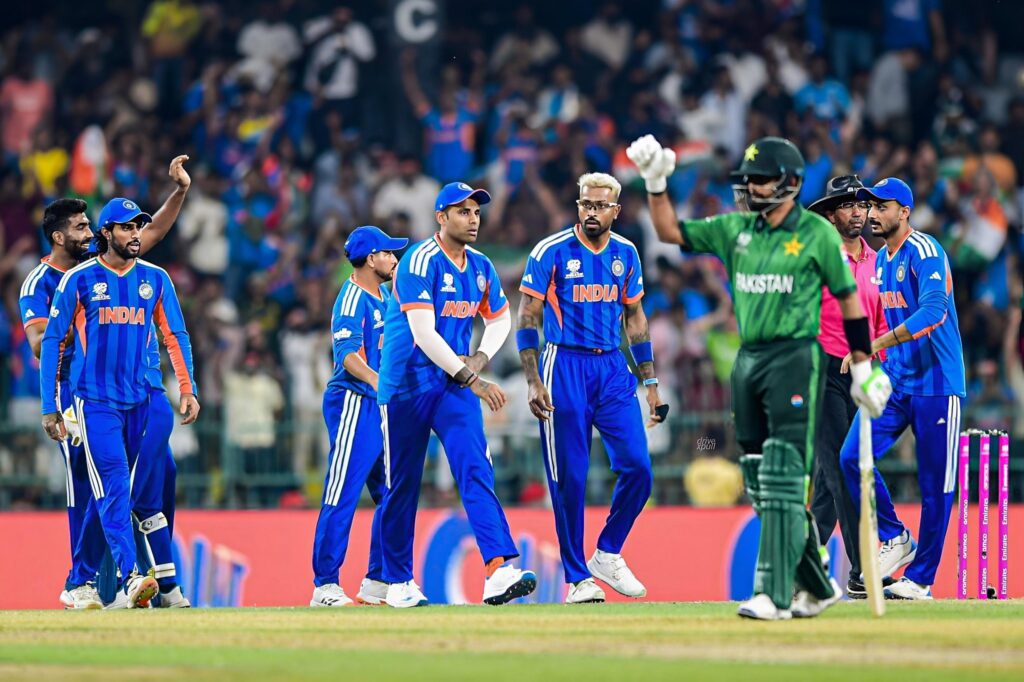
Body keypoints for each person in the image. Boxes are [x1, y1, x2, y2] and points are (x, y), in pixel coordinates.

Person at [627, 134, 892, 620]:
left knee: (784, 473)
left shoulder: (815, 235)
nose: (752, 187)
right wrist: (656, 182)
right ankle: (817, 584)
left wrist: (861, 366)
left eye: (762, 179)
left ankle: (773, 590)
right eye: (748, 179)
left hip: (797, 358)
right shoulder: (736, 230)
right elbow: (668, 230)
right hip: (747, 362)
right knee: (756, 478)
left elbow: (850, 301)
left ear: (789, 182)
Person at [20, 157, 191, 609]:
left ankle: (147, 582)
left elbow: (152, 233)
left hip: (132, 391)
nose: (88, 231)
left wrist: (179, 191)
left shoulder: (111, 263)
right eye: (80, 227)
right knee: (93, 486)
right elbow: (40, 343)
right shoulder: (45, 281)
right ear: (60, 237)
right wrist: (94, 329)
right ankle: (89, 582)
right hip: (78, 395)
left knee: (152, 476)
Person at [376, 182, 536, 608]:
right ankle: (397, 581)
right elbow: (423, 333)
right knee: (403, 484)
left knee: (476, 468)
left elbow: (500, 319)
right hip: (406, 385)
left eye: (477, 212)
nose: (473, 219)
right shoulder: (418, 261)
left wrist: (480, 358)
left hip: (452, 385)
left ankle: (497, 569)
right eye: (463, 212)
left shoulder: (481, 266)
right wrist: (474, 379)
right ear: (441, 217)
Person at [516, 172, 667, 604]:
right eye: (586, 204)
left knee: (638, 467)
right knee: (571, 477)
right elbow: (527, 316)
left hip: (613, 368)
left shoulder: (626, 253)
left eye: (601, 205)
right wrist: (533, 380)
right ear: (578, 205)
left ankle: (608, 552)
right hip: (563, 364)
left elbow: (635, 318)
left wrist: (650, 382)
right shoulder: (551, 251)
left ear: (616, 210)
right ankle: (577, 577)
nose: (592, 212)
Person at [838, 177, 966, 600]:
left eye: (882, 206)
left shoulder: (925, 251)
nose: (873, 214)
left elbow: (933, 311)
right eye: (870, 206)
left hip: (937, 385)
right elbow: (883, 320)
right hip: (896, 381)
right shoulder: (880, 263)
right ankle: (895, 536)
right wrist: (870, 355)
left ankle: (921, 580)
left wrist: (874, 345)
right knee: (852, 457)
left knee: (935, 486)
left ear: (904, 211)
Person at [310, 226, 408, 607]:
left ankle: (378, 579)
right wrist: (379, 380)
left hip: (378, 404)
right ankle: (325, 584)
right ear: (370, 259)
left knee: (391, 492)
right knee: (343, 491)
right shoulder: (351, 298)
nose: (394, 259)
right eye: (388, 253)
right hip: (354, 401)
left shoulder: (385, 295)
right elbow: (347, 356)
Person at [806, 175, 889, 598]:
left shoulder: (880, 262)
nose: (857, 212)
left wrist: (871, 361)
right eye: (847, 205)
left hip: (862, 373)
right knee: (843, 466)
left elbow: (883, 323)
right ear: (829, 214)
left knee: (830, 476)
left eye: (862, 204)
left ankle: (799, 563)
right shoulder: (817, 258)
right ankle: (862, 571)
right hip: (821, 370)